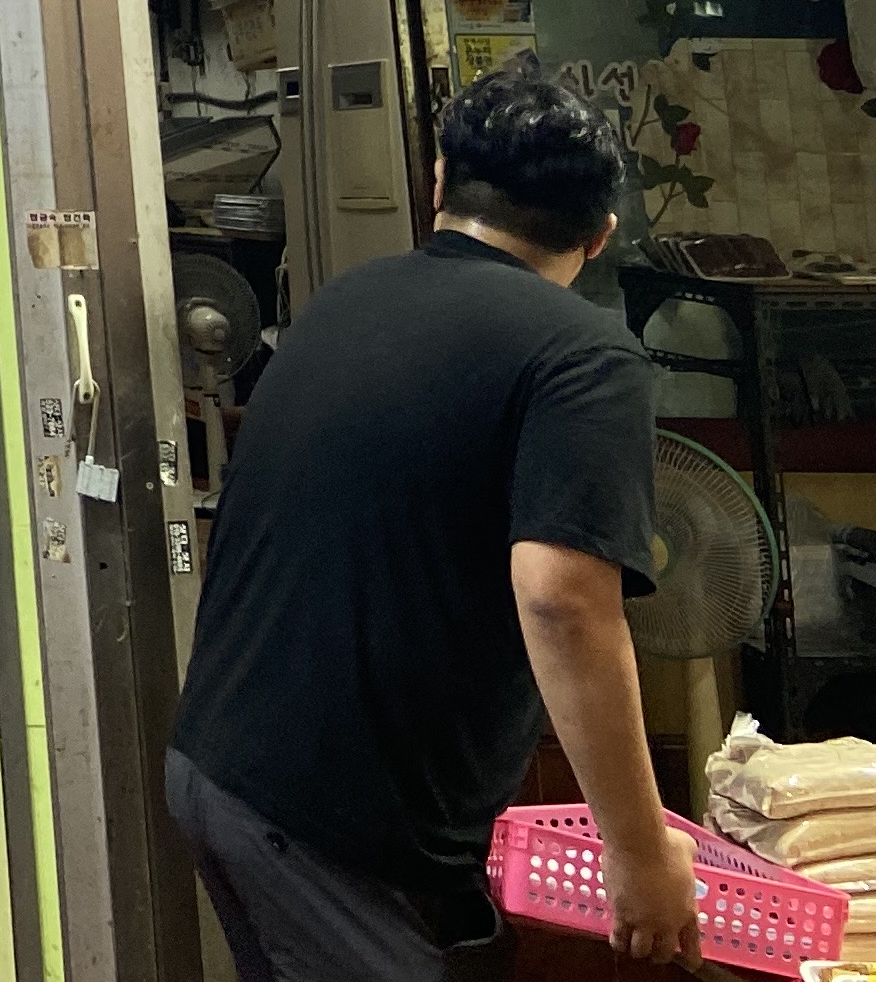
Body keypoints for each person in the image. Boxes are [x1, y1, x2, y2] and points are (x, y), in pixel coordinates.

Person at [167, 59, 701, 982]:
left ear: (441, 183)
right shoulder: (582, 356)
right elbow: (564, 602)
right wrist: (641, 852)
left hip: (221, 770)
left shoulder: (347, 300)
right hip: (334, 830)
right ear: (601, 235)